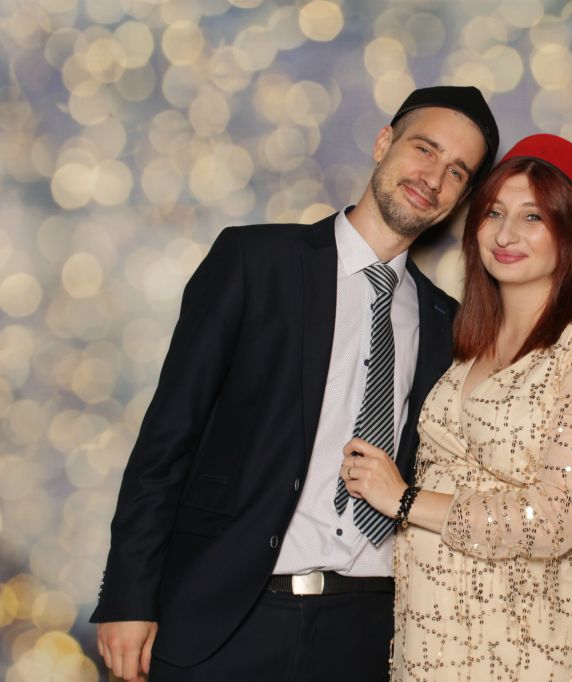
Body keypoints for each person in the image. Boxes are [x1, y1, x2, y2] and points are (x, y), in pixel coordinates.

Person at [91, 86, 499, 682]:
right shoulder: (254, 261)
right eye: (424, 149)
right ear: (384, 143)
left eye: (457, 171)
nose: (433, 178)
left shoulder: (447, 322)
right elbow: (167, 438)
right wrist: (128, 594)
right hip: (225, 619)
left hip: (366, 632)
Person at [341, 134, 572, 681]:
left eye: (533, 217)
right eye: (494, 213)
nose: (506, 235)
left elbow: (554, 520)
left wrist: (404, 499)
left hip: (524, 642)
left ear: (571, 236)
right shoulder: (463, 343)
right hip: (429, 638)